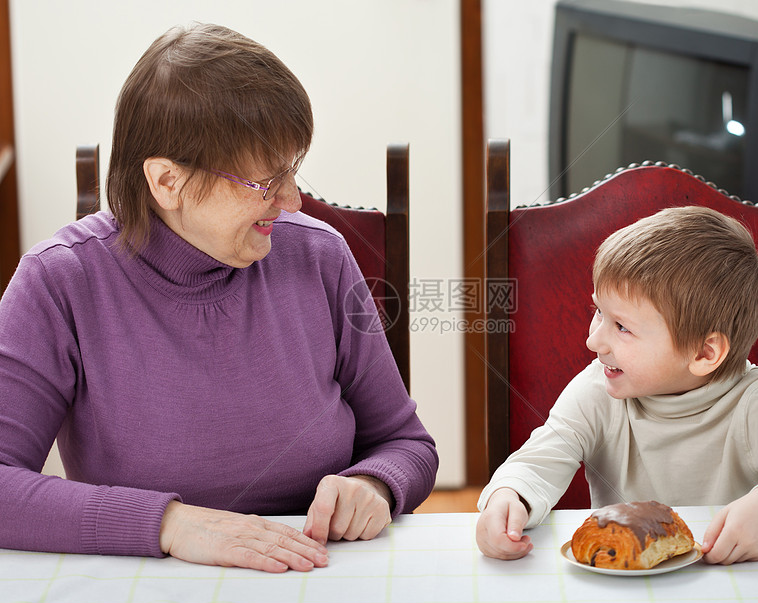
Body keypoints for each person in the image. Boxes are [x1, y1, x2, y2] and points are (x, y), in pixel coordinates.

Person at [0, 23, 438, 573]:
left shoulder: (318, 256)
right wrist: (169, 524)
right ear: (166, 182)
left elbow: (407, 443)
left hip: (318, 573)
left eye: (292, 171)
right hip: (144, 584)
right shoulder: (59, 283)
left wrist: (375, 484)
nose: (293, 200)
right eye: (264, 183)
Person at [475, 206, 758, 565]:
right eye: (598, 312)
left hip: (730, 579)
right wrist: (510, 495)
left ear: (704, 352)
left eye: (622, 327)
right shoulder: (596, 389)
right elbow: (539, 461)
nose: (593, 342)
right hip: (619, 581)